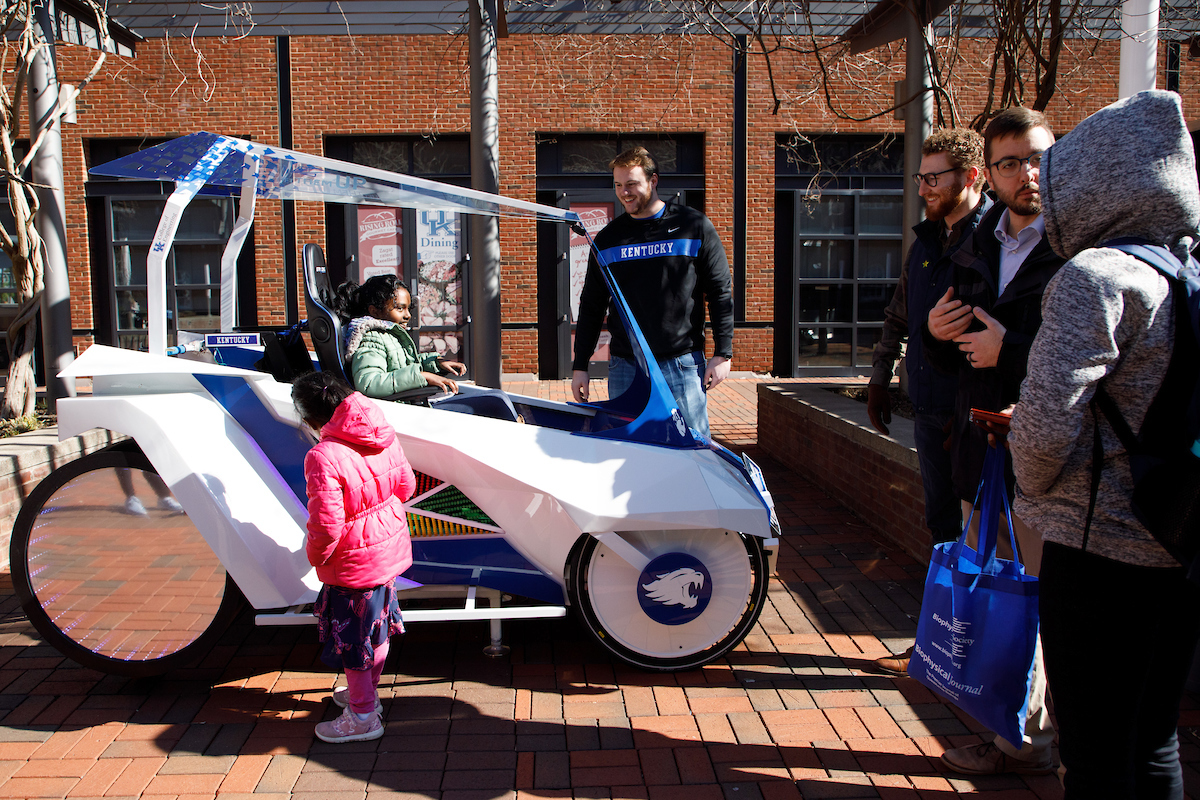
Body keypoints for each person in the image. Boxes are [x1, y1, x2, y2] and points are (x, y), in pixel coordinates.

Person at [1009, 90, 1200, 799]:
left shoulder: (1096, 279)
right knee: (1153, 740)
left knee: (1090, 754)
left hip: (1099, 549)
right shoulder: (1187, 273)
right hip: (1180, 535)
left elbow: (1043, 430)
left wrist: (1031, 494)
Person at [922, 107, 1064, 776]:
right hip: (985, 450)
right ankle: (1016, 733)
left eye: (1036, 157)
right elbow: (952, 355)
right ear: (993, 173)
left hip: (1050, 457)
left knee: (1045, 599)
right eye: (1009, 163)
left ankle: (1049, 744)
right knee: (1000, 597)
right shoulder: (975, 244)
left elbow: (1097, 357)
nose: (1025, 174)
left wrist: (1013, 350)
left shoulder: (1075, 244)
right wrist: (932, 332)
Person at [870, 130, 991, 678]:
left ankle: (976, 648)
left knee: (982, 533)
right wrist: (880, 376)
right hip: (928, 408)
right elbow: (900, 315)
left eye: (934, 177)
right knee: (943, 526)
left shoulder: (992, 241)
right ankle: (944, 642)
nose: (923, 188)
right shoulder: (925, 244)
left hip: (973, 418)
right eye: (920, 177)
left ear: (971, 177)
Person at [570, 147, 733, 438]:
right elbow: (592, 305)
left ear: (653, 180)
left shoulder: (693, 226)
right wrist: (580, 364)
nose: (624, 192)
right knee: (628, 448)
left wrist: (723, 353)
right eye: (618, 185)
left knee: (693, 449)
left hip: (681, 363)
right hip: (625, 367)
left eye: (632, 184)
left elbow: (720, 291)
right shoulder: (608, 239)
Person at [292, 370, 417, 743]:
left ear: (312, 419)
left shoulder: (322, 456)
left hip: (352, 563)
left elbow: (327, 526)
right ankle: (367, 695)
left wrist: (315, 556)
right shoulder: (383, 434)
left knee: (352, 641)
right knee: (377, 628)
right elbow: (407, 486)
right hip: (388, 550)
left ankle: (362, 715)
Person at [336, 275, 466, 398]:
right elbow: (368, 383)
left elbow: (402, 365)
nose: (408, 315)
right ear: (374, 311)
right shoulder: (371, 338)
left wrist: (436, 363)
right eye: (399, 308)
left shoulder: (389, 335)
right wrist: (422, 377)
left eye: (408, 308)